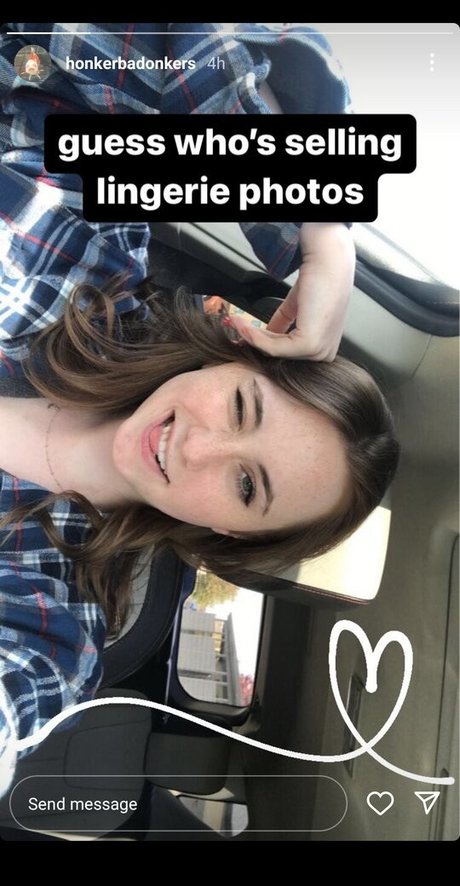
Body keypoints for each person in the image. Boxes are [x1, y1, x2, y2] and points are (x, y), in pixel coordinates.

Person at [0, 23, 397, 796]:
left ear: (231, 535)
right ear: (233, 356)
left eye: (247, 485)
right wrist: (323, 232)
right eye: (243, 405)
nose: (198, 447)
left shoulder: (54, 616)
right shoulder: (89, 241)